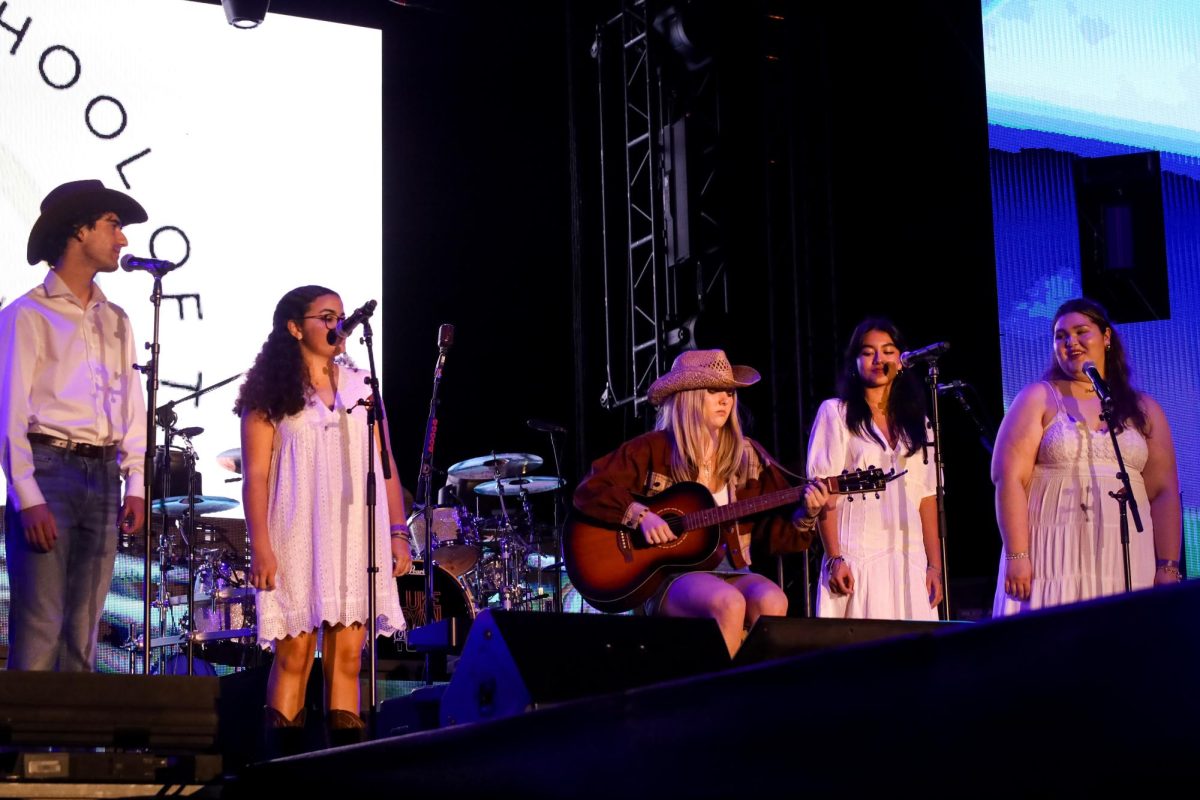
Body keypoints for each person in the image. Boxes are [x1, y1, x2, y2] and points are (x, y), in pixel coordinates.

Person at [234, 285, 411, 752]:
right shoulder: (269, 395)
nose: (338, 325)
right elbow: (255, 478)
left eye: (340, 316)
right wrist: (262, 548)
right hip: (294, 532)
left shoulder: (362, 387)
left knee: (349, 658)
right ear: (295, 328)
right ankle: (283, 772)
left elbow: (386, 463)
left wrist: (398, 532)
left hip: (356, 534)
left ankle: (341, 772)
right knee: (295, 655)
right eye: (325, 316)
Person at [573, 349, 827, 656]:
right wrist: (640, 516)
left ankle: (755, 694)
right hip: (671, 575)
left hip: (733, 568)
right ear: (690, 396)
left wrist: (807, 513)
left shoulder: (747, 455)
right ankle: (720, 697)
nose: (725, 400)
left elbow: (774, 535)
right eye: (714, 391)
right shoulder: (653, 448)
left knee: (774, 601)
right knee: (728, 603)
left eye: (730, 392)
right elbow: (590, 489)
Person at [0, 179, 149, 671]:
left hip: (104, 475)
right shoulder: (26, 315)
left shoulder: (117, 319)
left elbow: (131, 401)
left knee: (83, 633)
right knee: (41, 625)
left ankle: (72, 747)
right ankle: (27, 750)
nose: (122, 239)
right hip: (49, 470)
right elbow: (10, 413)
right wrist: (28, 494)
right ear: (79, 230)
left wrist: (137, 481)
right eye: (113, 225)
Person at [991, 297, 1181, 614]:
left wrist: (1168, 566)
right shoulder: (1038, 397)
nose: (1071, 342)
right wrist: (1017, 555)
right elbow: (1007, 478)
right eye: (1061, 336)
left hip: (1124, 553)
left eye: (1081, 332)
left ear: (1106, 337)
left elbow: (1163, 492)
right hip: (1052, 551)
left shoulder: (1143, 408)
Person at [806, 317, 943, 621]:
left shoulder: (919, 423)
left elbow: (927, 497)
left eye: (888, 350)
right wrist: (834, 559)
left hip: (910, 562)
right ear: (855, 361)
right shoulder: (836, 414)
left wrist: (934, 565)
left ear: (902, 359)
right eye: (868, 352)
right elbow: (823, 493)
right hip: (857, 559)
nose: (879, 359)